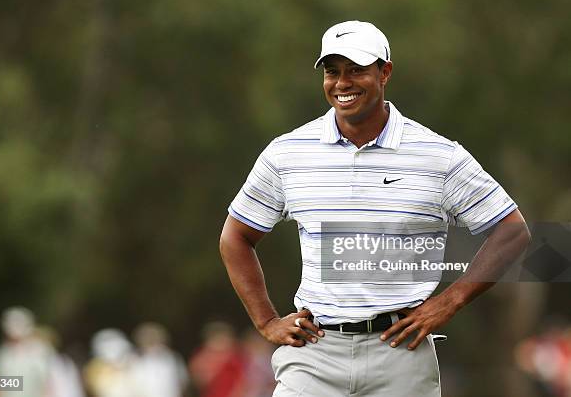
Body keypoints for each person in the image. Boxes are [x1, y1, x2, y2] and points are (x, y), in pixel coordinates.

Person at [219, 20, 531, 396]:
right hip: (314, 352)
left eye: (356, 70)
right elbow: (236, 237)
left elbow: (512, 231)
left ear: (385, 72)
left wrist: (448, 302)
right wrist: (266, 320)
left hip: (400, 352)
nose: (342, 83)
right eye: (332, 72)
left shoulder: (438, 155)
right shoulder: (287, 152)